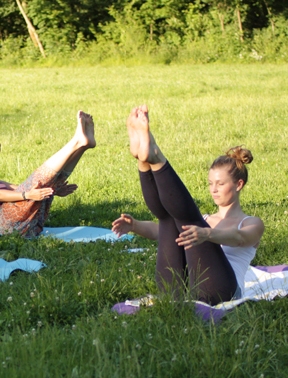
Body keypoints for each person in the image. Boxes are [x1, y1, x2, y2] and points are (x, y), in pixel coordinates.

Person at [111, 105, 264, 305]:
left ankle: (155, 157)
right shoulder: (207, 220)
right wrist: (135, 226)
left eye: (220, 184)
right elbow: (160, 233)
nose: (213, 189)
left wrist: (207, 234)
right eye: (210, 184)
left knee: (190, 222)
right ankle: (143, 160)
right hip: (180, 289)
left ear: (239, 185)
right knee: (169, 221)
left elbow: (239, 238)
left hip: (223, 291)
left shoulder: (251, 223)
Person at [0, 111, 95, 237]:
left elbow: (20, 188)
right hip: (1, 227)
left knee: (41, 186)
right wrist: (28, 194)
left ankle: (83, 146)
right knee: (35, 183)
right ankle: (76, 142)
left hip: (29, 225)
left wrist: (54, 190)